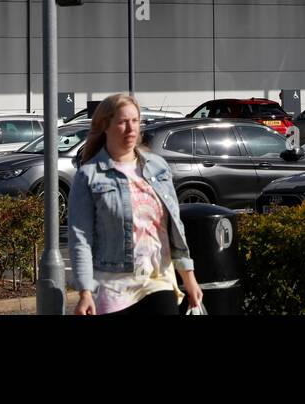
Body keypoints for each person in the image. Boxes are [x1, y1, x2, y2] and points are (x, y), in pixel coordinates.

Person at [69, 93, 204, 315]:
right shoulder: (89, 176)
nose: (131, 129)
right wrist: (85, 292)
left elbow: (174, 226)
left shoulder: (158, 167)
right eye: (122, 122)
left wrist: (189, 277)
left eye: (135, 121)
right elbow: (80, 239)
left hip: (158, 280)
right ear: (106, 126)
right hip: (113, 287)